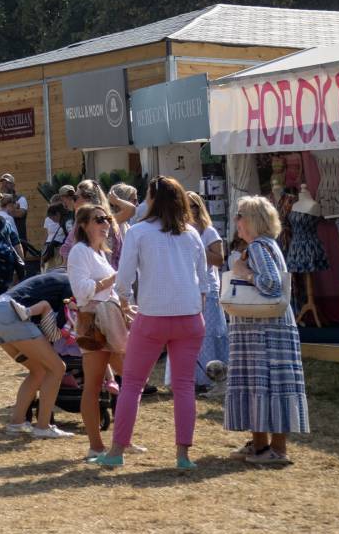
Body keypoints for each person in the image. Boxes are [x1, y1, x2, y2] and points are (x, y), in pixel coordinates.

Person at [97, 177, 212, 471]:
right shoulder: (192, 234)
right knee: (184, 386)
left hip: (152, 317)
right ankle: (183, 455)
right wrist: (197, 304)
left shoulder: (139, 232)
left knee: (132, 385)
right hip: (189, 316)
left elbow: (124, 277)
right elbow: (204, 278)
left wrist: (124, 302)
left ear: (152, 200)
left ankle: (116, 451)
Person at [223, 194, 310, 466]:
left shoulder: (260, 247)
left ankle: (276, 450)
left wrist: (242, 272)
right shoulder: (268, 245)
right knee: (261, 386)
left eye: (240, 216)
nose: (236, 221)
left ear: (253, 221)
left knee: (268, 386)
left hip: (265, 332)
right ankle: (260, 446)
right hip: (267, 329)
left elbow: (271, 285)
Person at [0, 268, 76, 438]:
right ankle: (43, 427)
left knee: (38, 371)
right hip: (9, 315)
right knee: (57, 368)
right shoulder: (71, 283)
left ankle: (16, 423)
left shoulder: (53, 278)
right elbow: (60, 326)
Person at [67, 202, 124, 460]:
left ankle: (122, 440)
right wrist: (113, 280)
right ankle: (96, 446)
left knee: (129, 379)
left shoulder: (99, 252)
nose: (106, 224)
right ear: (83, 225)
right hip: (93, 322)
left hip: (109, 319)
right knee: (93, 386)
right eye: (99, 219)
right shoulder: (79, 251)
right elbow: (82, 291)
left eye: (107, 219)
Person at [184, 191, 229, 390]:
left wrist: (197, 248)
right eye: (185, 206)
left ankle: (211, 377)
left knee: (209, 334)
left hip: (208, 289)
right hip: (187, 289)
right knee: (190, 335)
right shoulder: (180, 231)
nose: (189, 210)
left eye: (193, 205)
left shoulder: (208, 232)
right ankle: (192, 378)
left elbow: (219, 259)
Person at [0, 173, 31, 247]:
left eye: (7, 183)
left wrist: (6, 208)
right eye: (3, 183)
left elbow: (20, 214)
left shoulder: (21, 199)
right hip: (3, 242)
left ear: (13, 185)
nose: (4, 185)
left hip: (18, 241)